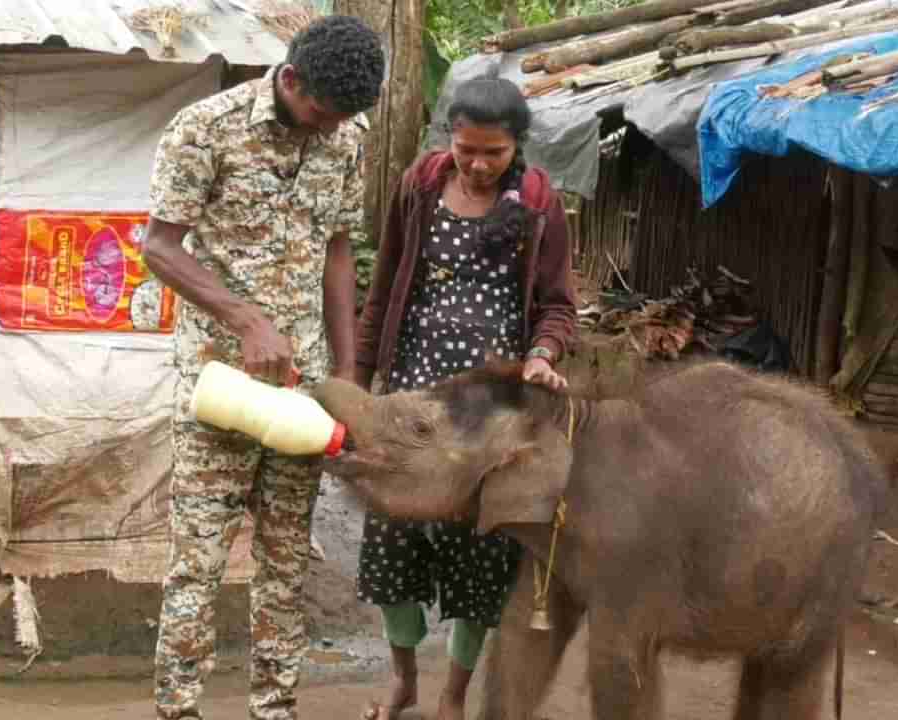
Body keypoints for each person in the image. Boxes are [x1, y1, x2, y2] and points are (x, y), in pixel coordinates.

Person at [143, 16, 385, 720]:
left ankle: (274, 709)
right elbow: (159, 246)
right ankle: (178, 709)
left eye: (339, 120)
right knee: (197, 565)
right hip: (218, 388)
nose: (325, 129)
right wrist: (245, 319)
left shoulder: (345, 138)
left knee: (284, 569)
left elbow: (338, 250)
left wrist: (344, 374)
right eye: (318, 113)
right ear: (289, 79)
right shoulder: (205, 128)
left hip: (301, 397)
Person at [352, 76, 577, 720]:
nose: (477, 165)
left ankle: (453, 695)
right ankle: (403, 680)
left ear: (517, 149)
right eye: (466, 148)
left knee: (480, 550)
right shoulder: (420, 186)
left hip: (490, 416)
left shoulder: (538, 204)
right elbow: (386, 285)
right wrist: (363, 379)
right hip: (412, 396)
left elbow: (558, 305)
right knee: (394, 536)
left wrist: (541, 355)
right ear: (447, 137)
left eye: (493, 153)